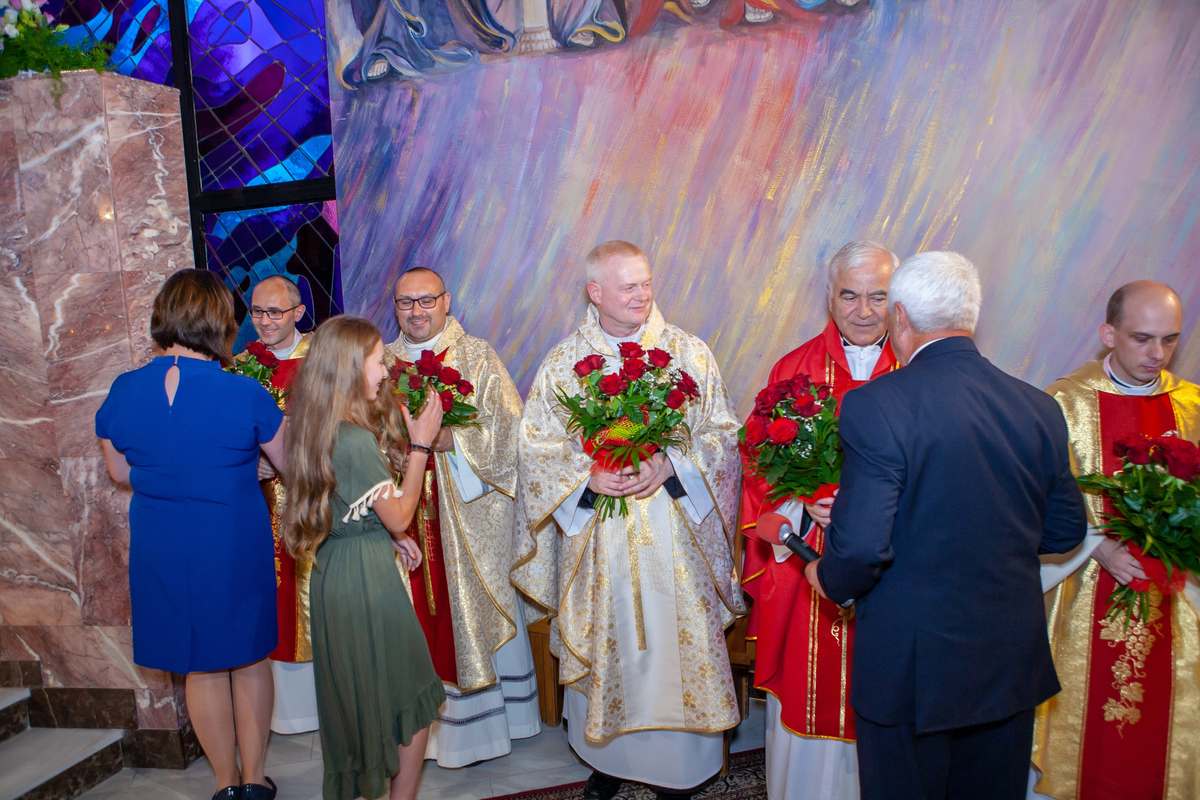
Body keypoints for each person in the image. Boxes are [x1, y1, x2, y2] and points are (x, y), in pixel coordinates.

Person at [803, 251, 1087, 800]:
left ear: (900, 317)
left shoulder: (876, 406)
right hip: (1006, 663)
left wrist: (827, 577)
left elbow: (861, 549)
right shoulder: (1037, 407)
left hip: (912, 669)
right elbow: (1064, 532)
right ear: (971, 316)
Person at [513, 240, 744, 800]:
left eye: (646, 282)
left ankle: (682, 768)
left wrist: (671, 463)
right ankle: (608, 760)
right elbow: (535, 446)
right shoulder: (564, 363)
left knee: (673, 641)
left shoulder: (688, 353)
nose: (642, 294)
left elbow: (722, 436)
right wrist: (587, 477)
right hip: (602, 533)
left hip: (675, 530)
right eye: (628, 286)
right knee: (612, 635)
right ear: (595, 292)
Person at [96, 269, 287, 800]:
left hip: (163, 542)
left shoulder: (124, 389)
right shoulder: (242, 391)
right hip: (230, 537)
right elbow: (290, 463)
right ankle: (254, 780)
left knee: (199, 663)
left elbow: (118, 471)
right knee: (248, 657)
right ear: (218, 321)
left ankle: (225, 784)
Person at [739, 240, 897, 799]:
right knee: (810, 684)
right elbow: (756, 465)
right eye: (850, 296)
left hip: (894, 565)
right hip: (807, 566)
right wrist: (802, 505)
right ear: (829, 297)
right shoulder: (794, 370)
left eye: (878, 297)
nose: (863, 311)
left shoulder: (916, 371)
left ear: (897, 299)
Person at [1032, 281, 1200, 800]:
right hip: (1081, 592)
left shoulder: (1191, 405)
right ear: (1109, 334)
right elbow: (1037, 499)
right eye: (1142, 338)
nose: (1157, 354)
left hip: (1174, 599)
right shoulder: (1063, 403)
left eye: (1170, 340)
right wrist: (1097, 545)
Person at [283, 315, 446, 800]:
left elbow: (343, 507)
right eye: (378, 361)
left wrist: (382, 534)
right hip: (364, 581)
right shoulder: (353, 439)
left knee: (370, 694)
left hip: (339, 566)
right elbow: (400, 514)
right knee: (413, 692)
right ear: (351, 367)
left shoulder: (317, 426)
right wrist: (421, 445)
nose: (385, 371)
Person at [383, 267, 540, 767]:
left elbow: (511, 431)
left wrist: (453, 440)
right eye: (405, 302)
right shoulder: (382, 363)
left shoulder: (477, 356)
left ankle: (486, 727)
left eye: (426, 300)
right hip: (401, 506)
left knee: (468, 607)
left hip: (468, 512)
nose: (416, 311)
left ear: (446, 301)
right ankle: (419, 733)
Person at [238, 274, 317, 735]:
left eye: (275, 312)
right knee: (271, 594)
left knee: (311, 591)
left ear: (298, 312)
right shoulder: (241, 366)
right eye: (257, 312)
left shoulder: (321, 359)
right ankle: (283, 712)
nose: (265, 322)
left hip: (312, 499)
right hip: (259, 503)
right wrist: (251, 463)